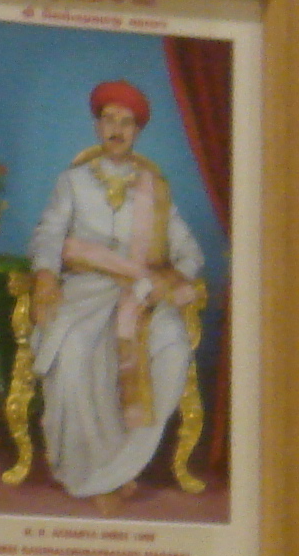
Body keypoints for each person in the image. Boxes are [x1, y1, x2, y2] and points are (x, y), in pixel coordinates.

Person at [26, 78, 204, 514]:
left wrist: (165, 282)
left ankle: (121, 469)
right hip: (85, 291)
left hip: (140, 298)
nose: (117, 129)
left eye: (127, 122)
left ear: (137, 132)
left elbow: (192, 253)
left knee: (172, 348)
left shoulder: (155, 190)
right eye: (109, 120)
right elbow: (48, 234)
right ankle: (90, 476)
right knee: (74, 351)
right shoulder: (72, 182)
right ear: (97, 126)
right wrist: (47, 275)